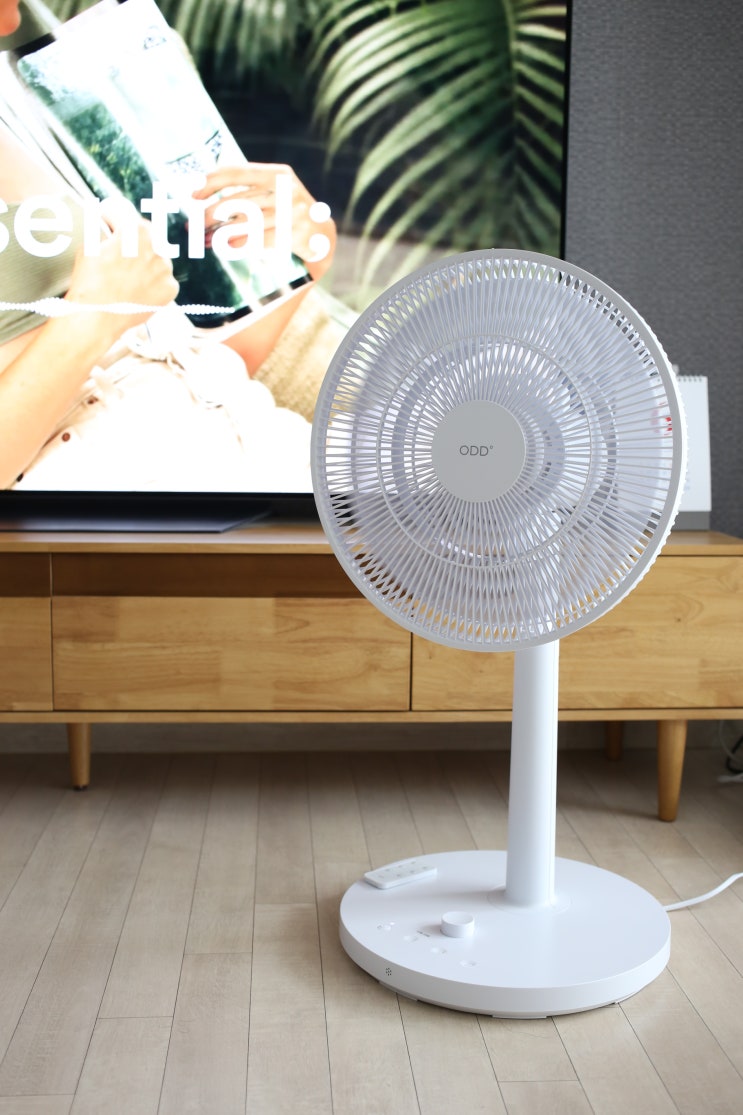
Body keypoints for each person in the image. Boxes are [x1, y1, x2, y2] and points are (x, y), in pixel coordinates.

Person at [0, 0, 342, 492]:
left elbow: (192, 376)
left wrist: (306, 256)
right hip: (136, 504)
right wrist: (93, 316)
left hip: (264, 451)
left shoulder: (34, 62)